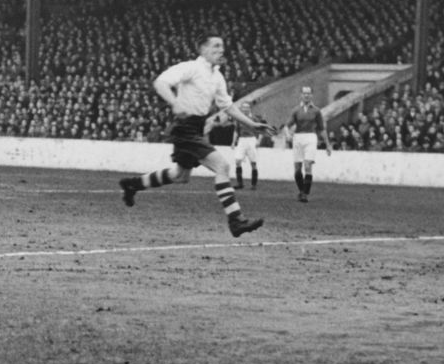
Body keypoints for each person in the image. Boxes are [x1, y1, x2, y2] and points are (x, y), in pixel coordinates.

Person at [118, 33, 273, 238]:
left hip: (196, 128)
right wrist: (175, 103)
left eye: (222, 47)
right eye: (215, 46)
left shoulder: (217, 77)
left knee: (180, 176)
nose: (221, 50)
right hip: (185, 127)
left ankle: (133, 184)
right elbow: (161, 82)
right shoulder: (191, 67)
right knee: (222, 166)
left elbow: (227, 106)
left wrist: (252, 124)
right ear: (202, 49)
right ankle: (236, 220)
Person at [284, 85, 332, 203]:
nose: (306, 95)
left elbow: (322, 128)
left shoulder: (316, 110)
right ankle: (301, 191)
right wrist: (288, 135)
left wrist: (327, 144)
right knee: (297, 169)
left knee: (307, 166)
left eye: (308, 93)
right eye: (304, 93)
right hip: (298, 138)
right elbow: (286, 126)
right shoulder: (295, 110)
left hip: (310, 137)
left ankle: (305, 193)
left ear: (311, 95)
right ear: (301, 95)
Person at [232, 100, 263, 190]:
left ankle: (254, 184)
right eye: (243, 107)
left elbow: (261, 130)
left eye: (247, 107)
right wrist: (233, 142)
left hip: (251, 140)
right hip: (242, 140)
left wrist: (258, 140)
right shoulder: (239, 119)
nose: (245, 109)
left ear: (250, 108)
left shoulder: (254, 118)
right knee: (238, 161)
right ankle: (240, 183)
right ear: (241, 109)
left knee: (253, 163)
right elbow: (236, 131)